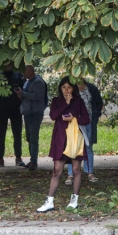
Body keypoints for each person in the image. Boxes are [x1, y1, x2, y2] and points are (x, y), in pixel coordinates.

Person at [36, 77, 90, 212]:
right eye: (64, 87)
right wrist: (66, 103)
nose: (66, 90)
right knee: (57, 171)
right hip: (60, 139)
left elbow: (87, 119)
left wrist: (75, 118)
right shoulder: (56, 101)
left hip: (75, 139)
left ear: (74, 88)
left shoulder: (79, 101)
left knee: (76, 169)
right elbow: (54, 115)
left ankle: (74, 200)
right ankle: (49, 201)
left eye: (69, 87)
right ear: (60, 88)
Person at [66, 80, 98, 183]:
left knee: (88, 147)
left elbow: (98, 102)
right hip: (72, 122)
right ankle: (71, 174)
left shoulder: (91, 88)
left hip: (87, 121)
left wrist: (96, 115)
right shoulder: (69, 87)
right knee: (72, 148)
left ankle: (90, 172)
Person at [1, 63, 24, 168]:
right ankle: (0, 158)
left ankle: (18, 157)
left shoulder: (18, 75)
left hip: (16, 110)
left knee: (17, 134)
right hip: (1, 110)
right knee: (1, 135)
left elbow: (24, 91)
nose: (8, 64)